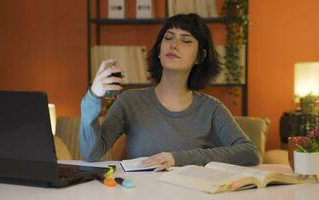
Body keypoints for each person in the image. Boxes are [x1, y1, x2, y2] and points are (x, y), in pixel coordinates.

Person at [80, 13, 259, 170]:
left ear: (200, 57)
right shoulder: (130, 102)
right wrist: (93, 97)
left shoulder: (211, 109)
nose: (174, 45)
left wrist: (179, 158)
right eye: (168, 37)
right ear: (159, 50)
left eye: (186, 40)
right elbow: (91, 153)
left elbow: (250, 153)